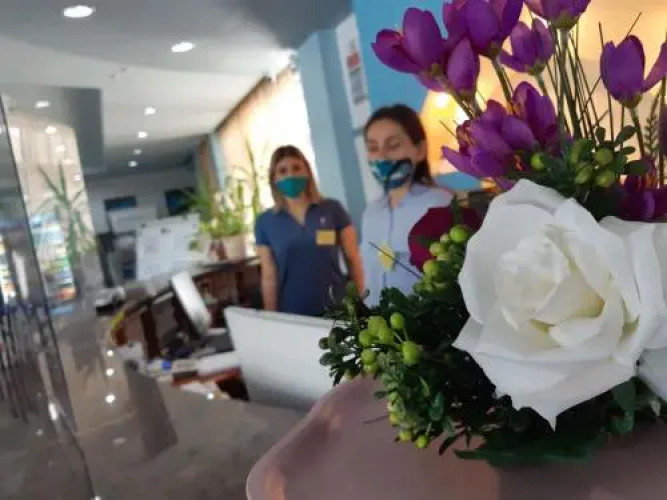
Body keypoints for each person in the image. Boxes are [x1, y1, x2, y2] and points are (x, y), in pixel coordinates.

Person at [255, 145, 364, 317]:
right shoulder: (265, 222)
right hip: (293, 313)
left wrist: (360, 302)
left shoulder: (332, 209)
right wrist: (271, 319)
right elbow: (269, 277)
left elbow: (353, 259)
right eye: (282, 171)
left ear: (307, 171)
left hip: (337, 308)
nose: (291, 175)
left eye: (296, 168)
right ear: (274, 178)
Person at [361, 104, 453, 306]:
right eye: (373, 148)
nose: (381, 157)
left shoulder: (440, 204)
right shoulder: (371, 213)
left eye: (393, 146)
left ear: (419, 150)